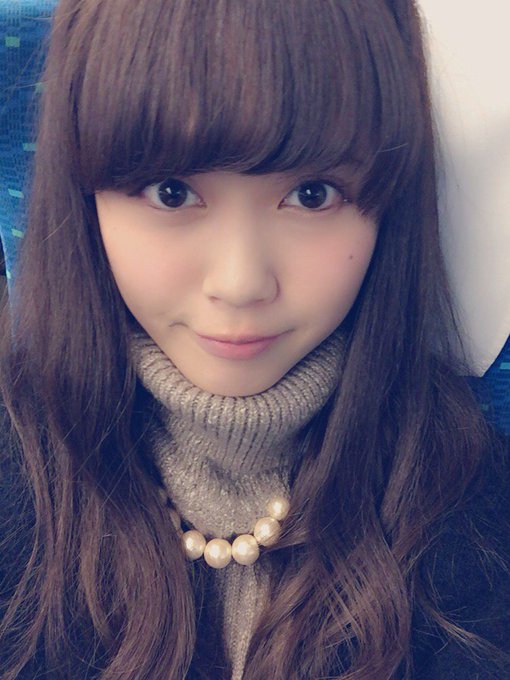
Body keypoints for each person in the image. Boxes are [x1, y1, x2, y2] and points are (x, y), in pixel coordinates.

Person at [0, 1, 509, 678]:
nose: (240, 284)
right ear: (84, 197)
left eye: (313, 194)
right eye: (172, 191)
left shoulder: (475, 506)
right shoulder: (18, 475)